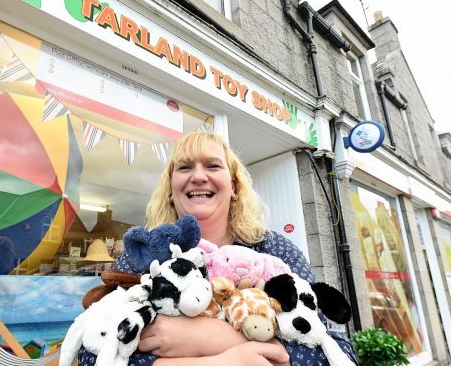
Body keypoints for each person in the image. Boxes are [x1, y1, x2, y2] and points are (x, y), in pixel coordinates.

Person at [78, 131, 357, 365]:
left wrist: (218, 340)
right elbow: (89, 349)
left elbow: (338, 348)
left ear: (234, 187)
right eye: (185, 167)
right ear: (170, 192)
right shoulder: (145, 254)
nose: (199, 177)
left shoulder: (273, 251)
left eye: (212, 166)